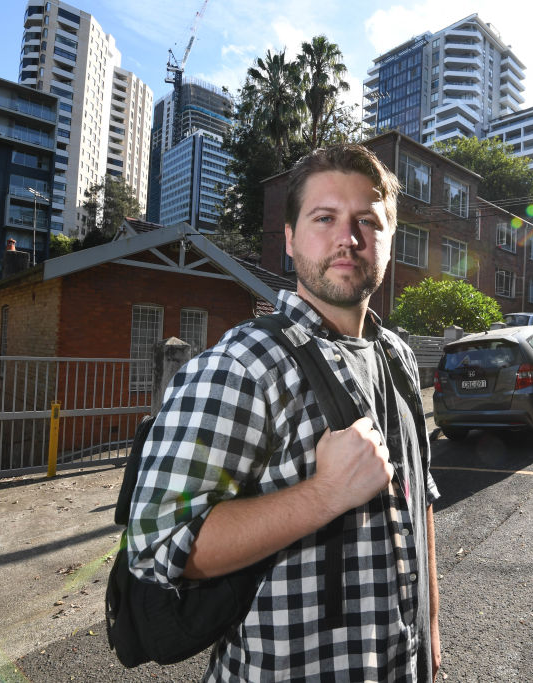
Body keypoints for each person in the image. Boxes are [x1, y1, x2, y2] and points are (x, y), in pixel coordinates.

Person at [127, 143, 441, 682]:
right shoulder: (242, 365)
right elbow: (156, 545)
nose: (349, 238)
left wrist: (432, 626)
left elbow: (421, 498)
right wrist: (325, 494)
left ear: (388, 240)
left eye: (368, 221)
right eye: (326, 218)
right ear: (291, 239)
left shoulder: (398, 357)